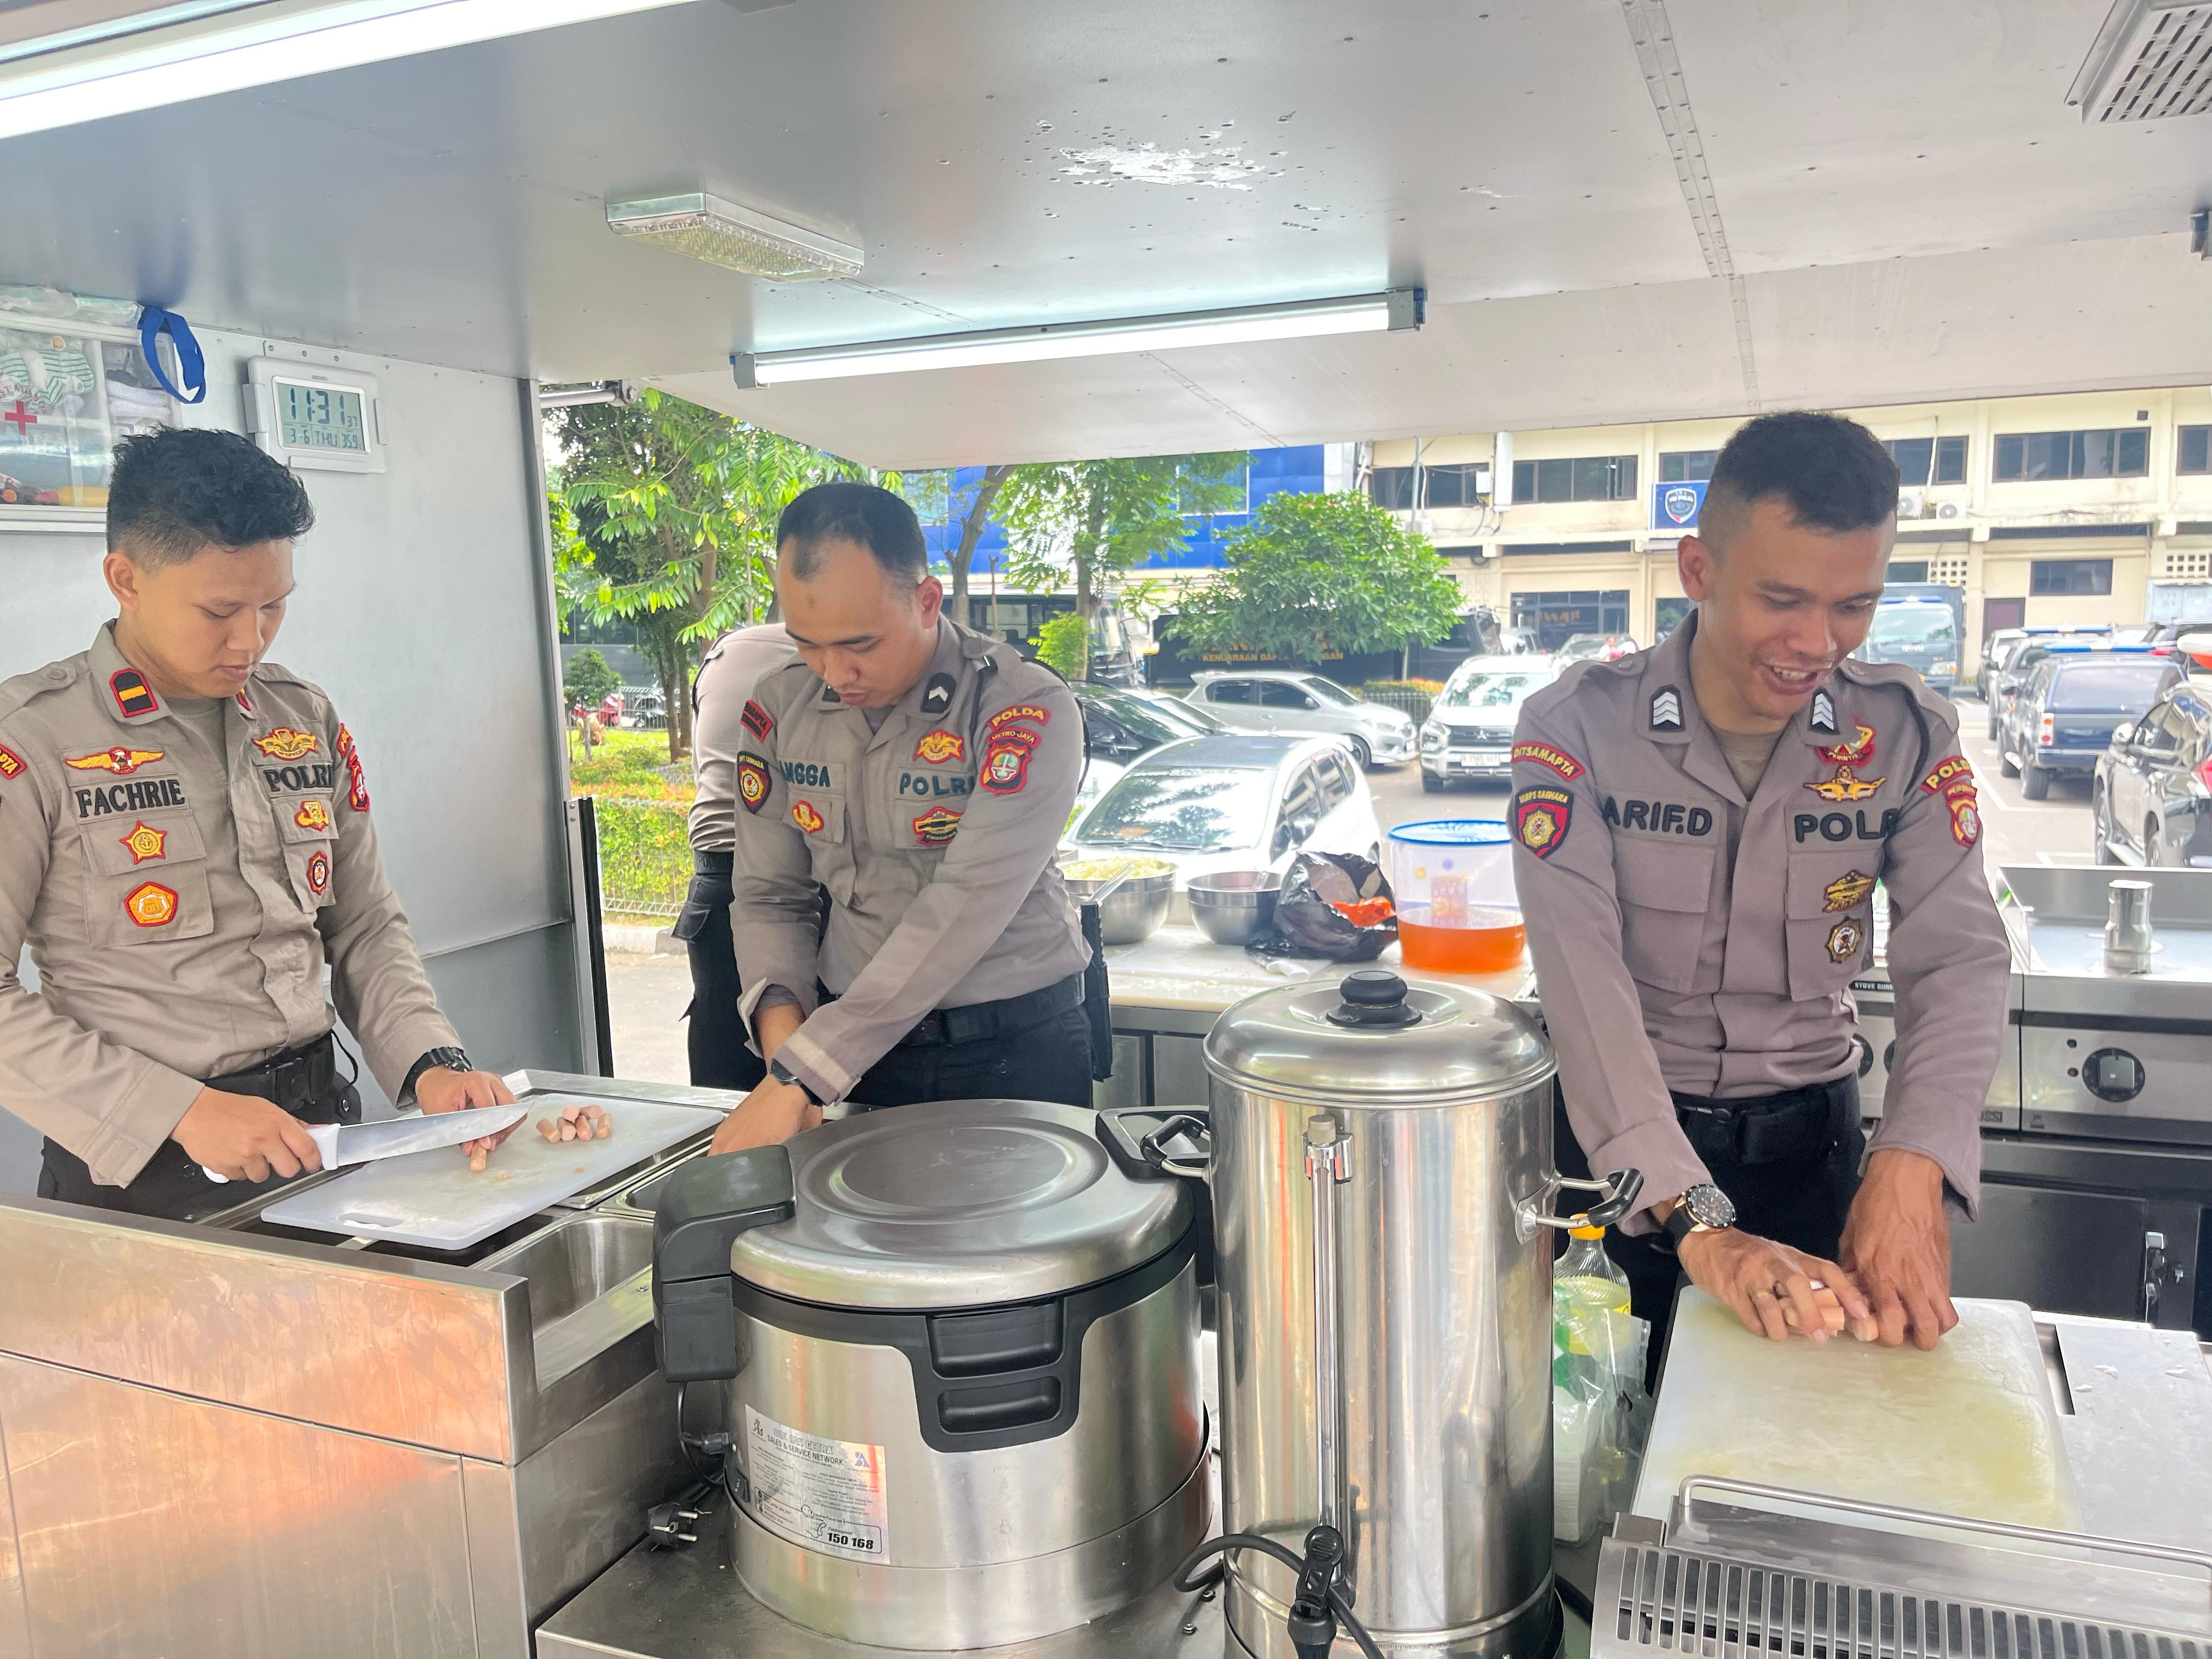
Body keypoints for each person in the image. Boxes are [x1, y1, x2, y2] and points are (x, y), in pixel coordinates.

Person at [1510, 411, 2009, 1356]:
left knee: (1798, 1462)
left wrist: (1913, 1161)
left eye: (1852, 605)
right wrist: (1699, 1218)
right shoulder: (1576, 731)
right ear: (1697, 570)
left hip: (1812, 1166)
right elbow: (1582, 984)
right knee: (1589, 1454)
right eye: (1782, 597)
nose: (1816, 641)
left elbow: (1959, 957)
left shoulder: (1901, 734)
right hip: (1610, 1180)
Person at [0, 428, 518, 1220]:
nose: (251, 639)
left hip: (321, 1132)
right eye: (219, 610)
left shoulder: (299, 717)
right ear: (125, 579)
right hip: (148, 1171)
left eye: (274, 606)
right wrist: (178, 1111)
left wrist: (430, 1066)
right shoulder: (34, 740)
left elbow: (365, 925)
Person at [707, 482, 1094, 1153]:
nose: (834, 674)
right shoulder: (779, 709)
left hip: (1010, 1051)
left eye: (859, 644)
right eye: (808, 645)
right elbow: (770, 896)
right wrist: (784, 1057)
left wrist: (803, 1074)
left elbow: (964, 905)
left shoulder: (1019, 710)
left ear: (926, 601)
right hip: (851, 1064)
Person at [677, 620, 796, 1091]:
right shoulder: (835, 656)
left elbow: (703, 772)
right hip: (796, 878)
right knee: (810, 1079)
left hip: (712, 881)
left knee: (725, 1063)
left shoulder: (722, 654)